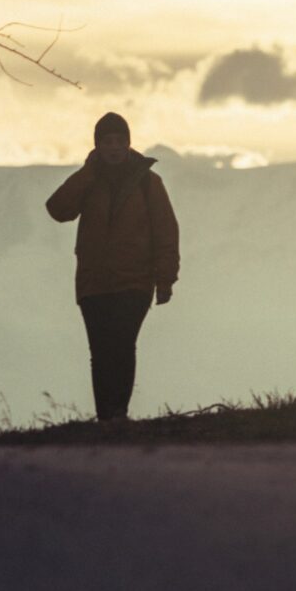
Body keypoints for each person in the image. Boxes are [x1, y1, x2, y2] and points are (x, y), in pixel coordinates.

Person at [45, 112, 179, 422]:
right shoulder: (89, 181)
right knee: (101, 351)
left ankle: (117, 413)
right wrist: (87, 173)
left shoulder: (148, 183)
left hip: (135, 281)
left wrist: (165, 279)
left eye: (120, 141)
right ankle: (107, 416)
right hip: (94, 282)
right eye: (107, 142)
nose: (114, 148)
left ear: (129, 144)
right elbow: (58, 209)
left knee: (122, 343)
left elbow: (165, 231)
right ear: (98, 146)